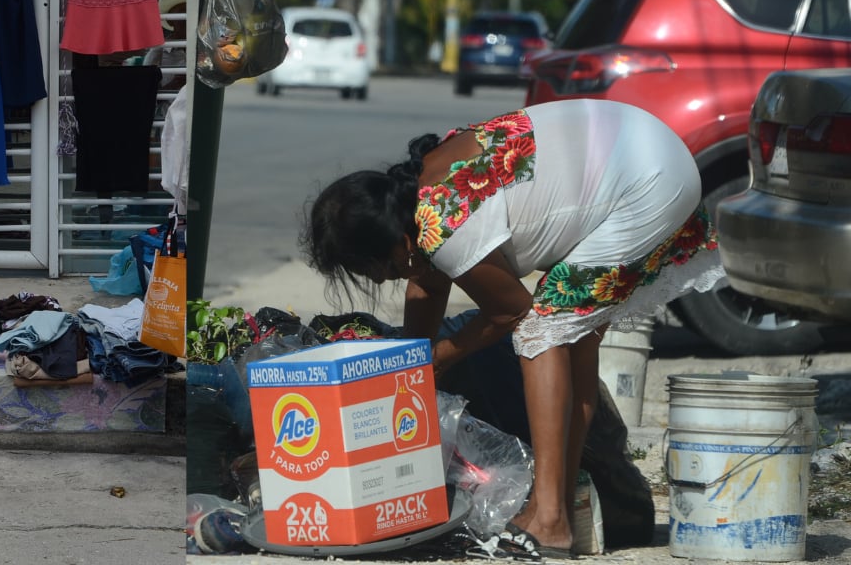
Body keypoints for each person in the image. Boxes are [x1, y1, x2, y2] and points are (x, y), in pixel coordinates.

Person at [303, 99, 724, 558]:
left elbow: (510, 312)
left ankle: (551, 519)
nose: (383, 280)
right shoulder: (419, 187)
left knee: (539, 332)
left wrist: (438, 359)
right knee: (571, 337)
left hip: (644, 184)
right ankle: (561, 508)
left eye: (378, 271)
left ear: (399, 243)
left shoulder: (442, 223)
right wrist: (409, 365)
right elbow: (427, 282)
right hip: (644, 149)